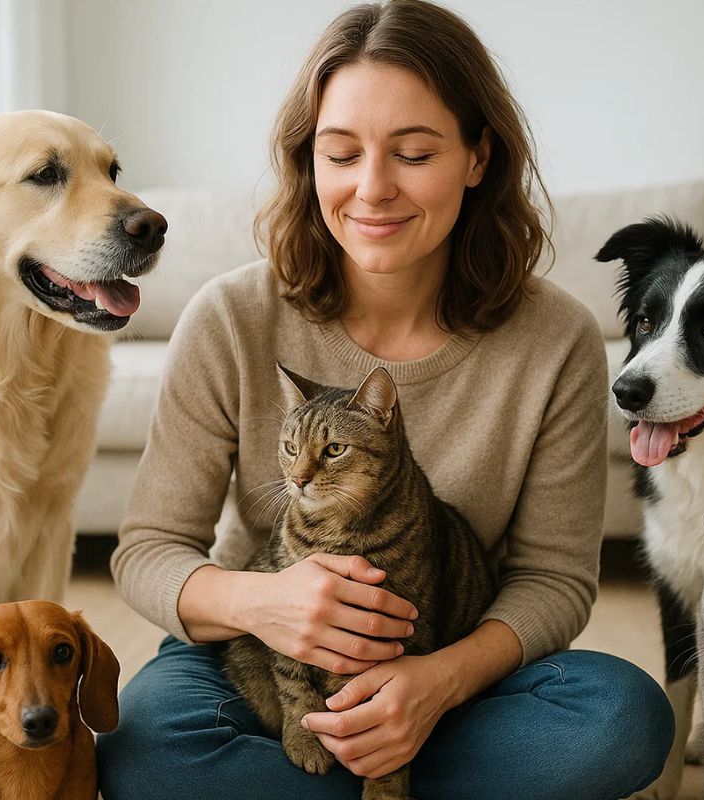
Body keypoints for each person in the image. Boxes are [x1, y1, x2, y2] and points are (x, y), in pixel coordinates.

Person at [96, 1, 673, 797]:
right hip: (268, 657)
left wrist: (437, 683)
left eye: (413, 153)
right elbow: (149, 552)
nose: (372, 190)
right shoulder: (231, 317)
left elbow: (554, 581)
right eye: (340, 154)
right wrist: (267, 604)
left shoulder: (557, 340)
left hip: (448, 665)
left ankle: (342, 771)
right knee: (149, 747)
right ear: (310, 164)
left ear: (477, 156)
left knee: (623, 719)